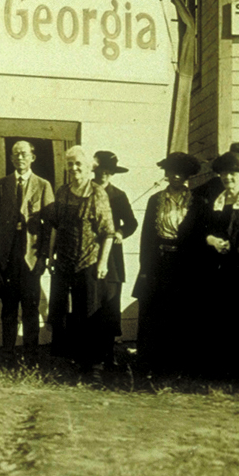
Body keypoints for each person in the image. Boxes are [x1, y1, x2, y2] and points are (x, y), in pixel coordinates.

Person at [181, 150, 239, 381]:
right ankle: (220, 372)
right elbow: (196, 230)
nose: (227, 178)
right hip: (216, 272)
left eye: (233, 174)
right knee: (218, 320)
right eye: (224, 174)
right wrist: (210, 240)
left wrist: (233, 243)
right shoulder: (215, 202)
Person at [35, 146, 115, 378]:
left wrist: (102, 263)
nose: (74, 168)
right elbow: (54, 226)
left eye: (79, 164)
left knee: (89, 313)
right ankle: (71, 360)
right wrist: (50, 254)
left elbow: (108, 232)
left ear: (89, 168)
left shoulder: (97, 193)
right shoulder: (61, 192)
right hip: (64, 263)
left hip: (89, 262)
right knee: (63, 312)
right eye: (70, 164)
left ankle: (94, 365)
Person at [0, 140, 54, 363]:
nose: (20, 158)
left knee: (31, 307)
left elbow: (50, 226)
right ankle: (7, 353)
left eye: (24, 154)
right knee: (8, 307)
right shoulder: (2, 185)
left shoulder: (43, 185)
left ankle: (31, 355)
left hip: (31, 258)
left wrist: (45, 256)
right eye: (15, 154)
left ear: (32, 157)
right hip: (7, 257)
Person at [135, 151, 202, 374]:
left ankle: (177, 364)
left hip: (184, 263)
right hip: (158, 262)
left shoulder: (197, 202)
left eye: (180, 173)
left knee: (180, 312)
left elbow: (198, 237)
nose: (175, 176)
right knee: (153, 311)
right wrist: (145, 269)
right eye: (172, 171)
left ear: (187, 175)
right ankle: (150, 363)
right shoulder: (155, 200)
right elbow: (146, 238)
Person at [92, 151, 139, 366]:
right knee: (89, 303)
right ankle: (89, 354)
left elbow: (131, 222)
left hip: (111, 258)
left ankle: (109, 353)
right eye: (101, 171)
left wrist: (120, 233)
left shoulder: (118, 196)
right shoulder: (85, 191)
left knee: (109, 305)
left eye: (108, 172)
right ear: (94, 170)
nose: (104, 175)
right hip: (87, 253)